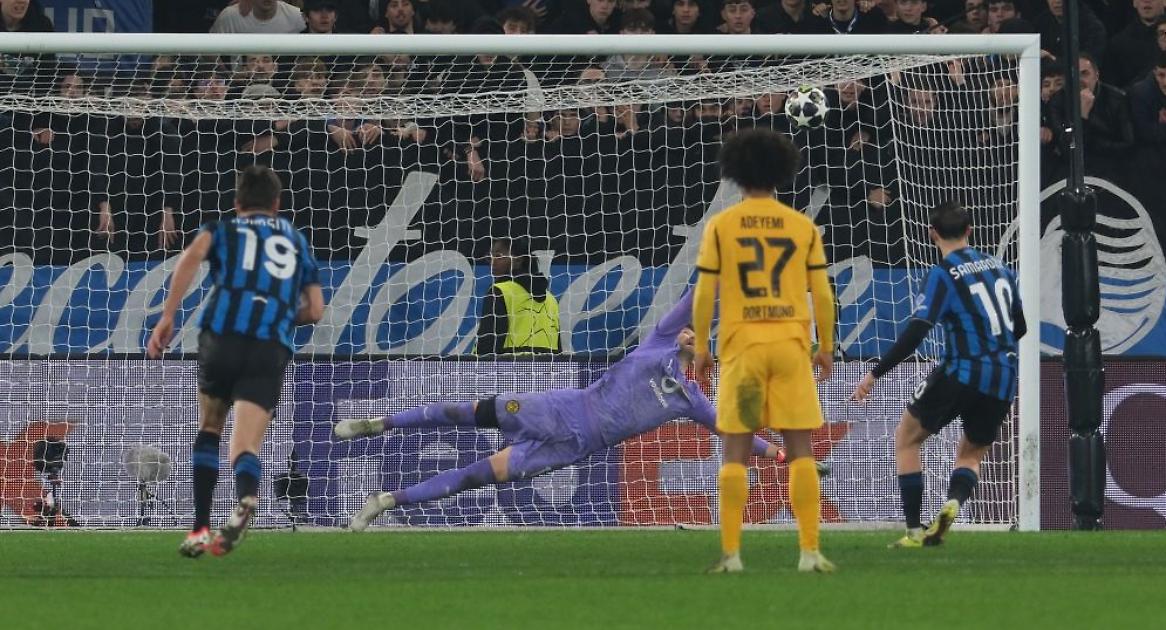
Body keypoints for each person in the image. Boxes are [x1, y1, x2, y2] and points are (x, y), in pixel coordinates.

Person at [337, 287, 823, 530]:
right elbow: (699, 297)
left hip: (572, 447)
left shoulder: (690, 399)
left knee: (475, 476)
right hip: (560, 410)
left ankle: (385, 502)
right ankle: (379, 423)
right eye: (691, 331)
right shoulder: (659, 341)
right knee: (467, 412)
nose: (691, 335)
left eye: (700, 340)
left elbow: (738, 435)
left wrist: (787, 457)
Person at [147, 165, 324, 557]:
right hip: (269, 346)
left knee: (211, 427)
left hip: (222, 337)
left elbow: (191, 257)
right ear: (277, 204)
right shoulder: (295, 240)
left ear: (237, 202)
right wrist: (279, 315)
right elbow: (315, 310)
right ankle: (246, 497)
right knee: (244, 445)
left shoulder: (223, 229)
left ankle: (199, 528)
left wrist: (168, 315)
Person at [691, 128, 837, 574]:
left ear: (735, 173)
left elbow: (706, 292)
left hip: (743, 346)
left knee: (735, 450)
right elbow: (822, 293)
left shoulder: (722, 226)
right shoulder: (801, 226)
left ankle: (732, 554)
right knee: (801, 449)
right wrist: (826, 346)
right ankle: (809, 552)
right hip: (790, 345)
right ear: (781, 172)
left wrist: (702, 346)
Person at [850, 200, 1025, 549]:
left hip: (962, 369)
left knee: (907, 438)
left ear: (932, 234)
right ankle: (954, 502)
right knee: (971, 455)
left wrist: (875, 373)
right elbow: (1019, 327)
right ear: (970, 230)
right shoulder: (1000, 268)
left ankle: (915, 531)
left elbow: (917, 330)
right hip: (1004, 376)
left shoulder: (943, 274)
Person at [476, 237, 561, 355]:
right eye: (490, 258)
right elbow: (558, 348)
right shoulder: (551, 299)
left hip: (509, 365)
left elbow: (487, 345)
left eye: (498, 256)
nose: (492, 262)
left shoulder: (499, 291)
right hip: (547, 366)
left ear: (518, 260)